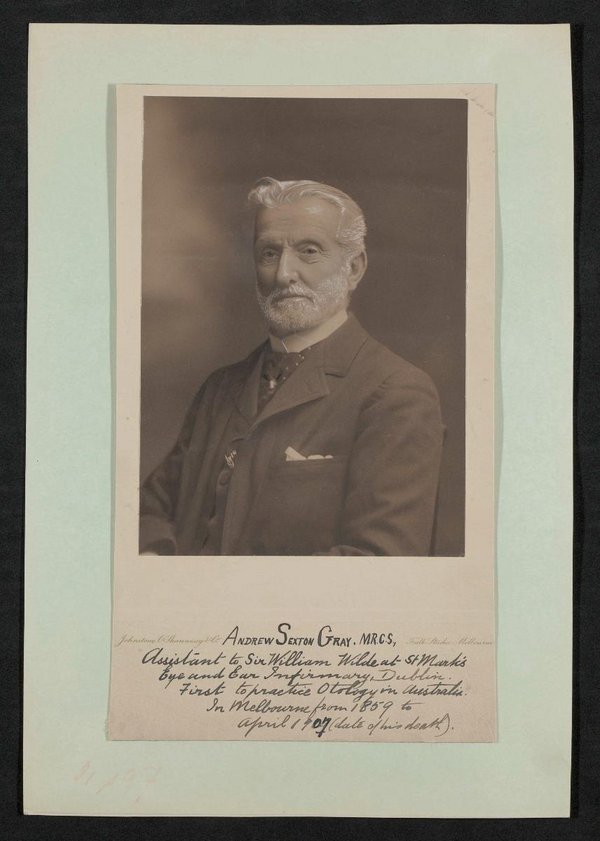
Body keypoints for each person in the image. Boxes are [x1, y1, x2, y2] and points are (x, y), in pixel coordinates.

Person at [140, 177, 443, 556]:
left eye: (309, 251)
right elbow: (149, 510)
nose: (284, 273)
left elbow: (378, 562)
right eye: (269, 253)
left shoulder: (395, 394)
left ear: (354, 268)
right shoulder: (220, 389)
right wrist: (153, 560)